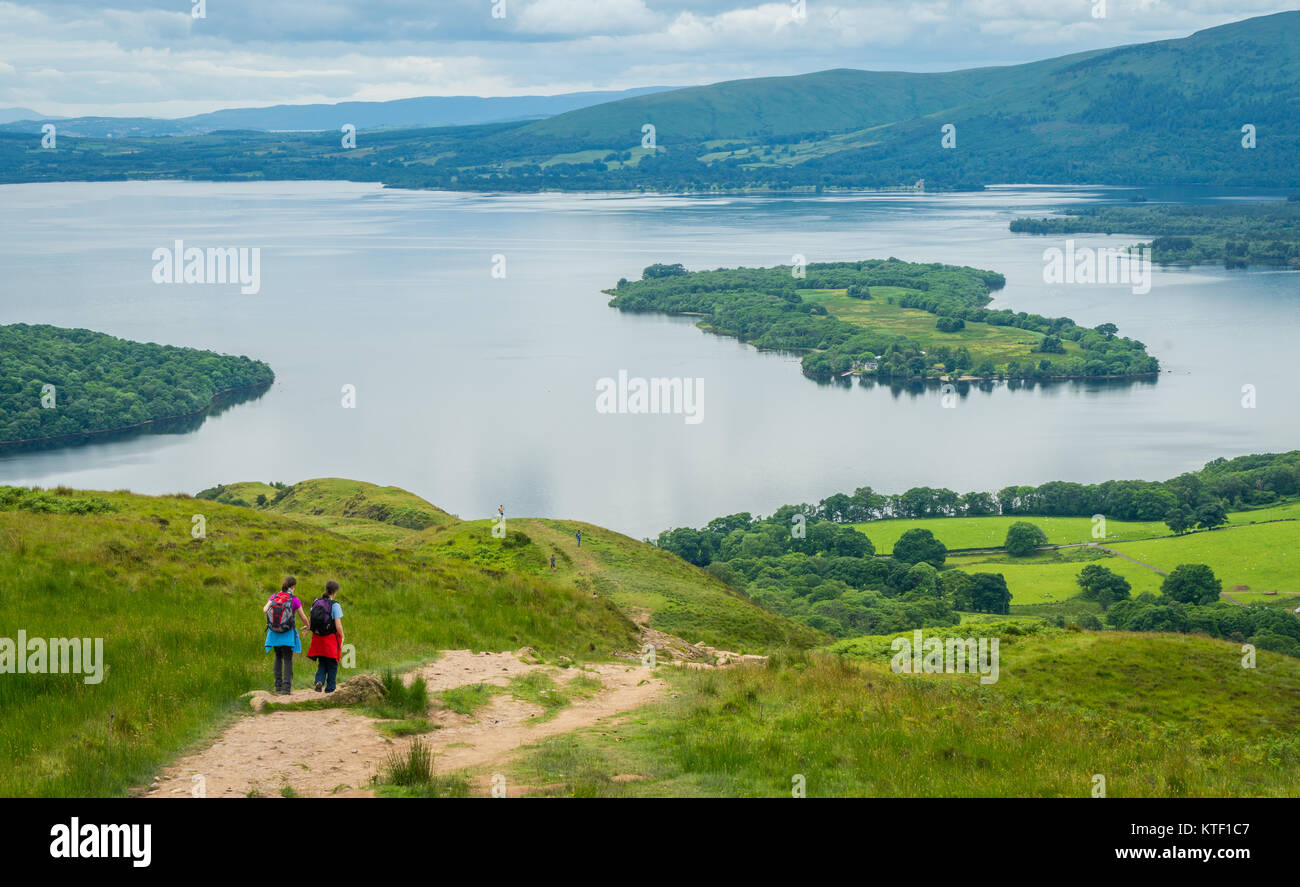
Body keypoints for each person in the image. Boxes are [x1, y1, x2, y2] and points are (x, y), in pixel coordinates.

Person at [264, 576, 310, 694]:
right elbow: (302, 616)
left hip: (274, 632)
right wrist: (308, 626)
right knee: (288, 659)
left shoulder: (274, 596)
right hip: (287, 632)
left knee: (278, 657)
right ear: (293, 587)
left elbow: (265, 609)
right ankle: (286, 688)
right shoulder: (294, 599)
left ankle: (278, 686)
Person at [306, 581, 346, 693]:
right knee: (332, 664)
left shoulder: (316, 601)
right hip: (330, 639)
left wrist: (308, 627)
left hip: (318, 638)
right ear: (335, 591)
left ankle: (319, 680)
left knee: (322, 662)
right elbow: (338, 625)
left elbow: (310, 618)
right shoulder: (335, 605)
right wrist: (342, 636)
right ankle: (330, 689)